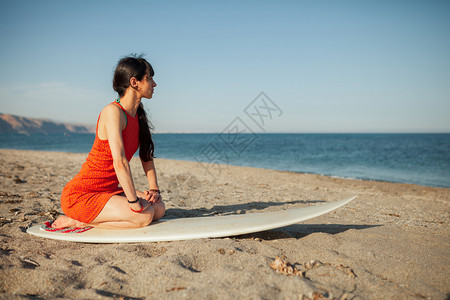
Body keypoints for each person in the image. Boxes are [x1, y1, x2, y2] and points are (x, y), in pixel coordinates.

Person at [52, 56, 165, 229]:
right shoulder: (113, 112)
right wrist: (133, 202)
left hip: (109, 190)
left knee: (158, 209)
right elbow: (119, 162)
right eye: (149, 78)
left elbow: (146, 155)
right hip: (83, 194)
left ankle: (102, 215)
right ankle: (77, 220)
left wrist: (154, 190)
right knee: (144, 217)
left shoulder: (138, 114)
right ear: (134, 82)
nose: (154, 84)